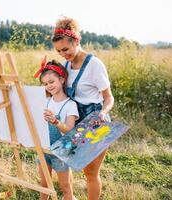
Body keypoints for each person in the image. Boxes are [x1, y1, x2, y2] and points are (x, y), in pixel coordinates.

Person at [51, 17, 115, 200]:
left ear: (76, 41)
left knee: (90, 173)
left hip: (96, 122)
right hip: (74, 123)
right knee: (64, 163)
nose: (63, 54)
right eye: (59, 51)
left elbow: (109, 97)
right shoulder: (65, 65)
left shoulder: (94, 65)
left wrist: (103, 113)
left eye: (66, 49)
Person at [34, 58, 79, 200]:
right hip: (45, 150)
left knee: (65, 187)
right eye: (45, 84)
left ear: (62, 79)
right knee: (44, 183)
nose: (48, 86)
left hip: (62, 151)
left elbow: (70, 131)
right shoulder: (45, 101)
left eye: (51, 82)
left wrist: (55, 121)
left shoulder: (70, 105)